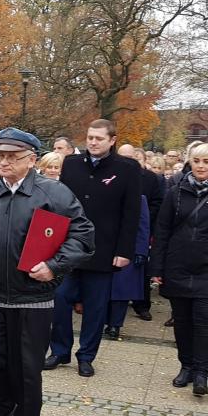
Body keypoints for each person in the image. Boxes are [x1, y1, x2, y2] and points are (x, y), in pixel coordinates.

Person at [0, 127, 94, 416]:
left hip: (33, 297)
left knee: (26, 370)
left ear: (31, 160)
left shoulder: (54, 193)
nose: (4, 162)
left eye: (12, 156)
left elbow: (83, 236)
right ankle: (2, 407)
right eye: (0, 156)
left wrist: (54, 265)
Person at [45, 119, 141, 377]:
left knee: (96, 307)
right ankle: (59, 351)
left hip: (104, 249)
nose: (93, 142)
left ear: (112, 140)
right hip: (70, 248)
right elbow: (61, 206)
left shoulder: (127, 168)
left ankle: (86, 356)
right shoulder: (72, 163)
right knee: (60, 299)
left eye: (99, 138)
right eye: (90, 137)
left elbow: (131, 213)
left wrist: (125, 251)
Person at [150, 142, 208, 396]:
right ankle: (186, 366)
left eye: (206, 162)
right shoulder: (176, 192)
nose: (201, 166)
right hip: (178, 265)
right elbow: (162, 230)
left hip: (205, 270)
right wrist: (157, 267)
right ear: (189, 163)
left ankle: (202, 371)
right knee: (182, 321)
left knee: (203, 321)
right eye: (197, 161)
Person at [116, 143, 165, 321]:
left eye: (131, 158)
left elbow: (157, 202)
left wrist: (141, 217)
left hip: (141, 227)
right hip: (116, 230)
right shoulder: (113, 174)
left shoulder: (151, 178)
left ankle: (142, 305)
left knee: (139, 271)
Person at [105, 195, 150, 339]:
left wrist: (141, 251)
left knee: (121, 290)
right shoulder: (104, 192)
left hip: (128, 250)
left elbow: (143, 226)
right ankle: (106, 321)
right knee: (103, 288)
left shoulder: (139, 198)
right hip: (104, 249)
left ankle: (115, 325)